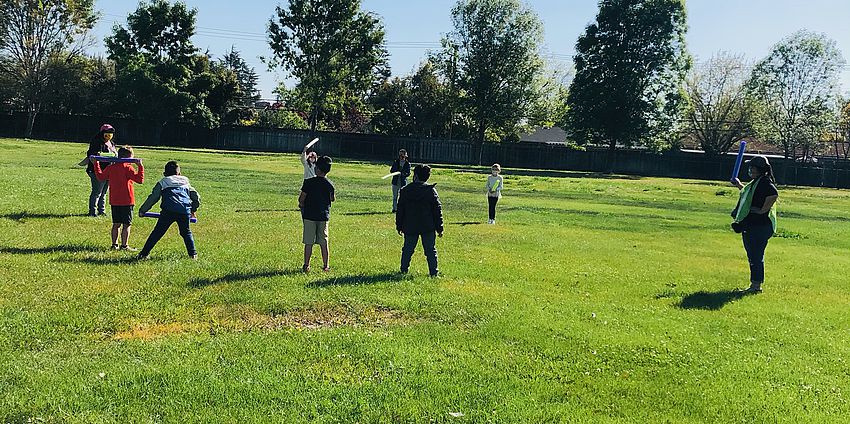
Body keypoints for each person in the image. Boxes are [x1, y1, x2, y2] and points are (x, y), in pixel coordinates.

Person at [731, 155, 778, 293]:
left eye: (753, 167)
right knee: (753, 255)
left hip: (760, 226)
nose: (750, 170)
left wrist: (762, 210)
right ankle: (755, 285)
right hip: (754, 225)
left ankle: (756, 286)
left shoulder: (764, 182)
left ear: (760, 169)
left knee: (755, 256)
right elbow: (749, 194)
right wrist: (739, 185)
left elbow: (774, 194)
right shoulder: (757, 182)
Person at [137, 161, 200, 260]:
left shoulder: (163, 182)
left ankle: (144, 254)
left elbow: (153, 197)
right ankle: (193, 254)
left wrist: (143, 210)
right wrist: (193, 209)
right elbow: (196, 196)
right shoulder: (185, 182)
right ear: (179, 173)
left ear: (164, 174)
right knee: (186, 233)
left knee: (157, 232)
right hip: (184, 210)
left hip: (168, 211)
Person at [91, 146, 144, 250]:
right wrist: (140, 166)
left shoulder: (111, 167)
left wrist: (96, 164)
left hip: (114, 200)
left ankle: (114, 245)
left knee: (116, 224)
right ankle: (124, 245)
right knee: (127, 224)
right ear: (129, 157)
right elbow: (140, 180)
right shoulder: (128, 168)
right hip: (127, 201)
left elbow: (100, 177)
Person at [396, 164, 444, 277]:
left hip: (410, 225)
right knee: (431, 251)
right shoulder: (431, 191)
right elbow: (437, 211)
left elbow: (400, 210)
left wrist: (399, 225)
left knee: (407, 249)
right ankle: (434, 272)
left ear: (415, 176)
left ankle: (403, 270)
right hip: (428, 226)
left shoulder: (405, 191)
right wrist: (440, 227)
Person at [299, 156, 335, 272]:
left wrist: (302, 205)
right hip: (323, 216)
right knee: (324, 242)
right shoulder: (329, 184)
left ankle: (306, 265)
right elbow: (332, 198)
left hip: (309, 216)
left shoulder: (308, 182)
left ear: (317, 169)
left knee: (308, 242)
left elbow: (301, 198)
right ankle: (326, 265)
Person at [85, 124, 118, 216]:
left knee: (104, 192)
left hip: (109, 171)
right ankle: (92, 212)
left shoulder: (112, 144)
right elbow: (92, 155)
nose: (109, 135)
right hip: (97, 171)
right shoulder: (96, 142)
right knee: (97, 192)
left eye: (111, 133)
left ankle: (101, 211)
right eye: (107, 133)